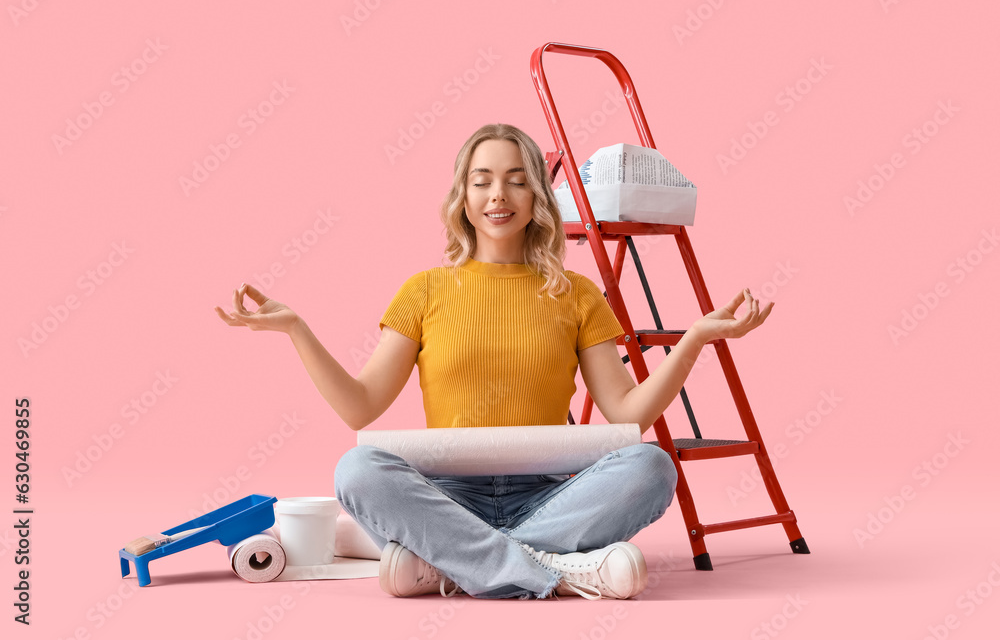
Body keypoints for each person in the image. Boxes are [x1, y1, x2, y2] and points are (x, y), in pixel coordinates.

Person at [215, 123, 773, 601]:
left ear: (537, 197)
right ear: (462, 196)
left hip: (550, 492)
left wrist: (696, 338)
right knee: (356, 472)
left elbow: (628, 413)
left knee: (650, 468)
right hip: (445, 494)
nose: (498, 195)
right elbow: (360, 408)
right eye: (481, 181)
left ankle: (450, 564)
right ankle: (549, 570)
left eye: (516, 180)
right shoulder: (425, 290)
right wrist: (296, 328)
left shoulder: (577, 293)